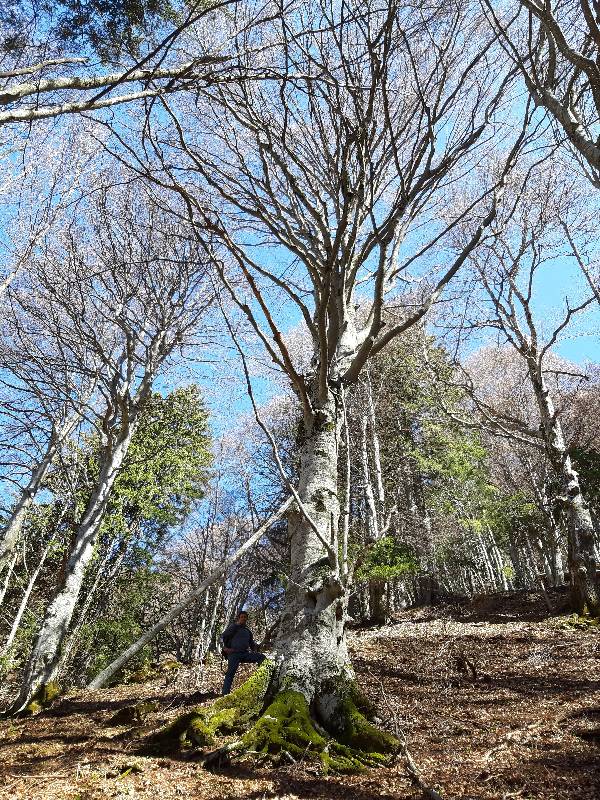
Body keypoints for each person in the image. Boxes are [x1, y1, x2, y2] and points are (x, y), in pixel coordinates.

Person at [220, 610, 266, 695]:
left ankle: (261, 682)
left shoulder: (248, 631)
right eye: (242, 617)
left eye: (245, 617)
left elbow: (252, 645)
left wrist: (259, 647)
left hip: (245, 654)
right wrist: (225, 648)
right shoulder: (233, 627)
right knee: (230, 673)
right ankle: (225, 694)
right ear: (239, 618)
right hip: (233, 654)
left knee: (261, 657)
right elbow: (222, 637)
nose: (243, 618)